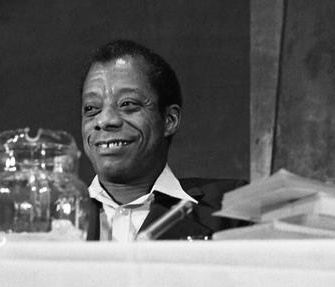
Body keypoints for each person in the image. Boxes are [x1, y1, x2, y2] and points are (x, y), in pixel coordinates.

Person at [80, 39, 246, 241]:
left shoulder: (233, 209)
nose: (105, 120)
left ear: (169, 120)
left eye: (127, 104)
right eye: (91, 108)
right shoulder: (48, 219)